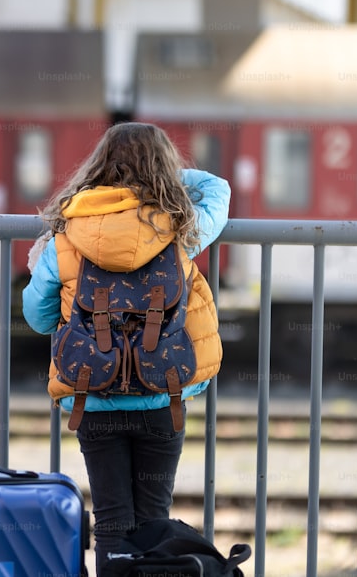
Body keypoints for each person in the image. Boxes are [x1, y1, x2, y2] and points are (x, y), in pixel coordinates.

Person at [21, 121, 230, 572]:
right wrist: (172, 180)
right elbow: (218, 189)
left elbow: (38, 319)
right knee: (154, 519)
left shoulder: (66, 237)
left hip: (93, 399)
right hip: (162, 395)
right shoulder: (180, 229)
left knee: (112, 521)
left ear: (97, 168)